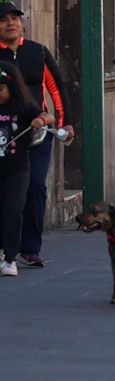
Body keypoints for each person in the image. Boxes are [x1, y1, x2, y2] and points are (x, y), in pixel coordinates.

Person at [0, 0, 72, 268]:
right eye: (4, 19)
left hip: (37, 129)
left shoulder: (37, 52)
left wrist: (65, 123)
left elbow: (56, 88)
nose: (11, 23)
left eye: (15, 18)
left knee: (35, 185)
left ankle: (30, 247)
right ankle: (8, 247)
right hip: (5, 131)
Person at [0, 61, 45, 277]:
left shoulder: (24, 107)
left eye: (0, 89)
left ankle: (10, 258)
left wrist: (40, 119)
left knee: (12, 212)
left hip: (16, 170)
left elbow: (48, 116)